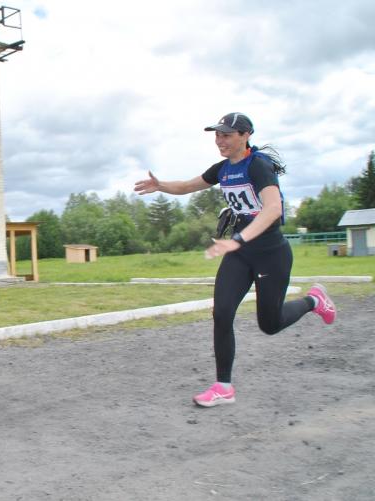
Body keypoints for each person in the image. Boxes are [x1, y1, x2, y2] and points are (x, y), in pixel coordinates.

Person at [134, 112, 336, 408]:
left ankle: (314, 301)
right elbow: (189, 186)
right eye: (217, 135)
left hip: (271, 255)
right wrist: (161, 185)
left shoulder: (259, 167)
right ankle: (223, 387)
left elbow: (272, 210)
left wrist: (239, 238)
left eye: (226, 135)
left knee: (270, 324)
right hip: (240, 255)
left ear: (245, 135)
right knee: (222, 312)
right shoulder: (223, 169)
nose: (220, 140)